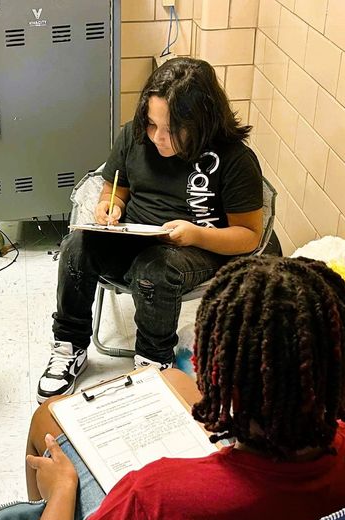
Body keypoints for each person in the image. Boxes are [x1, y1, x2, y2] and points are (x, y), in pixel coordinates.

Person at [11, 256, 345, 520]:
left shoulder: (155, 499)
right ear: (340, 372)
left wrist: (61, 491)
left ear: (217, 375)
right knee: (169, 383)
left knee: (46, 418)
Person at [37, 57, 266, 403]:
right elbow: (117, 187)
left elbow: (249, 235)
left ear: (202, 120)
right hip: (135, 235)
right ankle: (70, 345)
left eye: (172, 129)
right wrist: (109, 206)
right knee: (75, 247)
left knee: (155, 270)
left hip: (199, 248)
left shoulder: (234, 159)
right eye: (151, 124)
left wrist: (197, 234)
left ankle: (154, 361)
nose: (158, 138)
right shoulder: (133, 135)